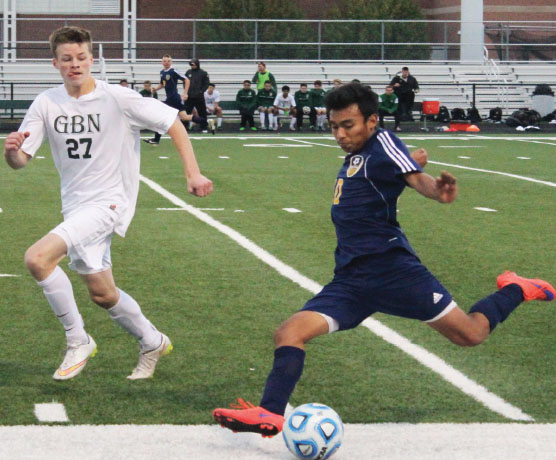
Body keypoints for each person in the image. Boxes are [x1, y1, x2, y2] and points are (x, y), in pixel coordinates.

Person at [212, 82, 555, 437]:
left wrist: (437, 191)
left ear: (372, 121)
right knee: (288, 332)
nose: (340, 134)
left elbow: (415, 178)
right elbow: (393, 170)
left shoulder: (383, 142)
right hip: (350, 279)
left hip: (393, 271)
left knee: (471, 334)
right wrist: (409, 162)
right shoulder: (360, 155)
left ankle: (516, 288)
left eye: (349, 125)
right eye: (334, 127)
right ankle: (270, 414)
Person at [4, 26, 213, 382]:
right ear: (55, 63)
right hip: (75, 206)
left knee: (37, 259)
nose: (75, 65)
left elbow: (173, 123)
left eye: (82, 58)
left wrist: (192, 174)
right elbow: (22, 159)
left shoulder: (117, 97)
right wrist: (11, 152)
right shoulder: (46, 102)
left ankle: (78, 339)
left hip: (109, 203)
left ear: (91, 60)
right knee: (102, 293)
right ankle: (152, 341)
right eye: (67, 59)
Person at [144, 54, 197, 145]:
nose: (166, 63)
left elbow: (187, 80)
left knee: (161, 116)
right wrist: (156, 88)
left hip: (174, 98)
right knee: (184, 117)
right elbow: (163, 83)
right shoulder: (162, 72)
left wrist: (185, 93)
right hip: (170, 99)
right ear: (162, 62)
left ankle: (156, 139)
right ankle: (204, 120)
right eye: (164, 61)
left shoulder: (173, 71)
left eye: (168, 61)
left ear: (171, 62)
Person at [184, 58, 210, 133]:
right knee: (186, 112)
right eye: (191, 64)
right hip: (189, 97)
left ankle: (204, 127)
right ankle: (186, 127)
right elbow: (184, 82)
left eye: (193, 64)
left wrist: (201, 91)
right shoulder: (188, 72)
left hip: (199, 97)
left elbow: (206, 84)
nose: (192, 66)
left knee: (202, 112)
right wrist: (186, 91)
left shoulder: (203, 73)